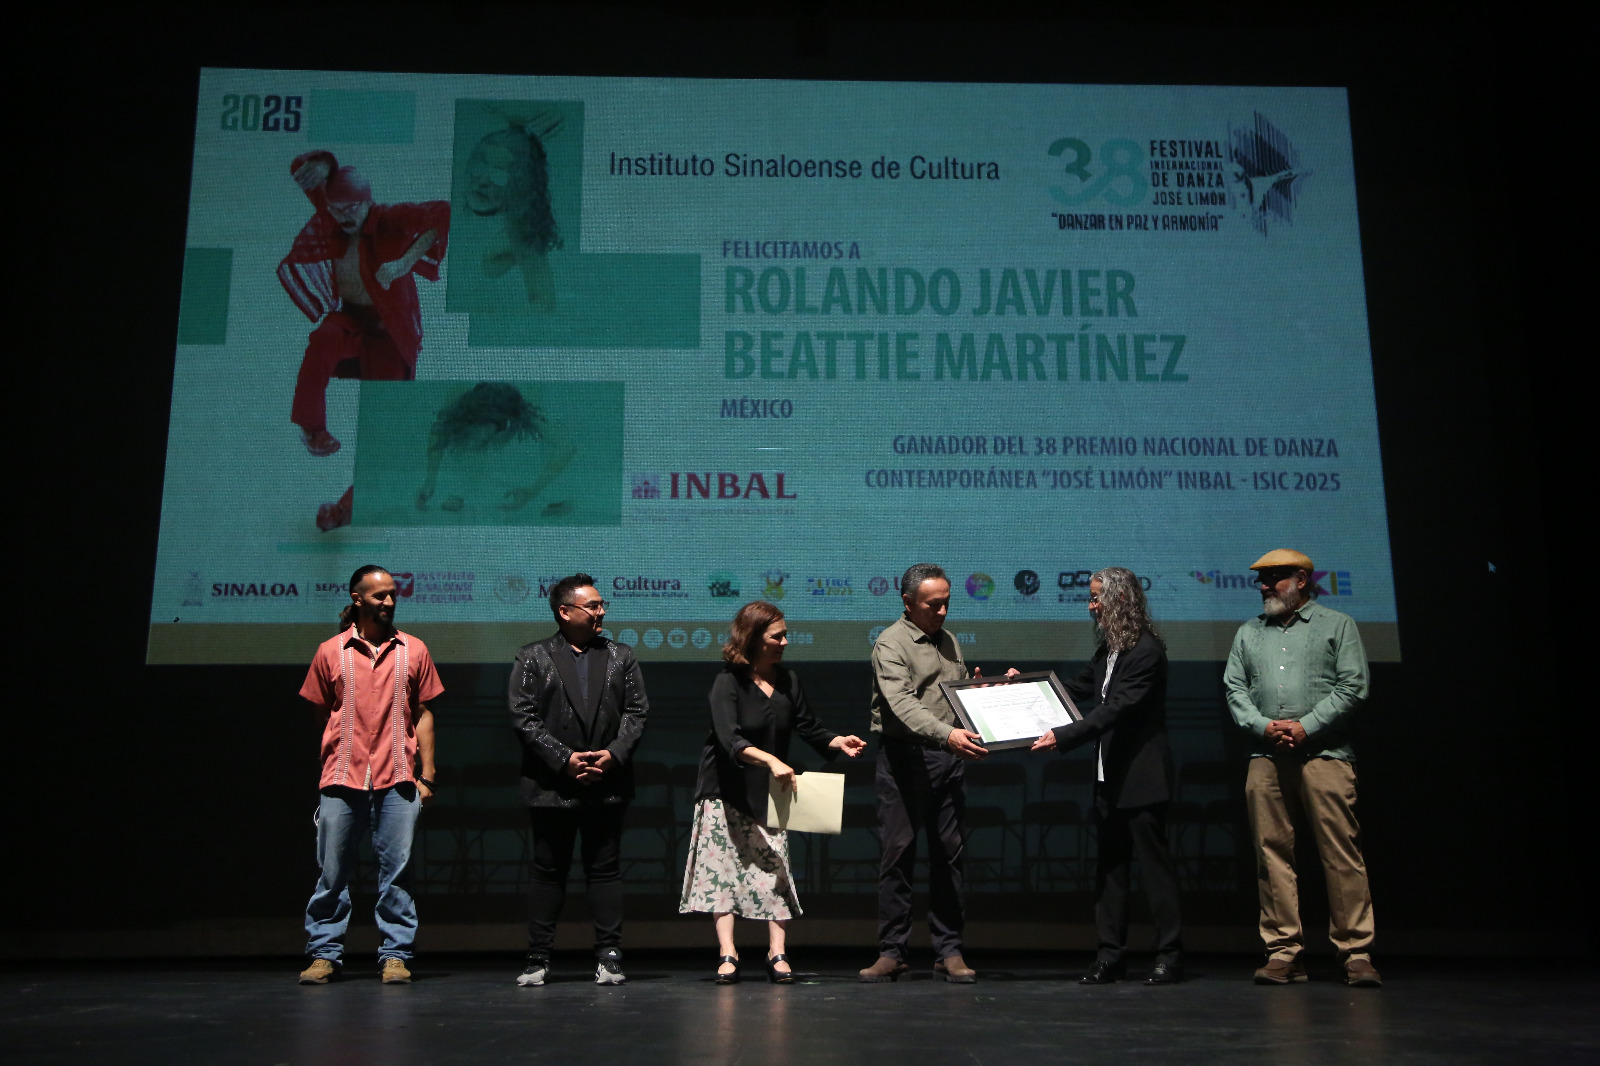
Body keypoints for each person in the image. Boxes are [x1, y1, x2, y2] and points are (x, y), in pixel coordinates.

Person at [680, 602, 866, 984]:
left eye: (785, 634)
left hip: (771, 790)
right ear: (753, 639)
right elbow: (729, 739)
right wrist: (768, 759)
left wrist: (836, 741)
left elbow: (809, 727)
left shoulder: (788, 680)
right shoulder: (727, 683)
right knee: (724, 871)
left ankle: (777, 952)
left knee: (774, 868)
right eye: (776, 636)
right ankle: (727, 953)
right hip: (726, 789)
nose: (785, 641)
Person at [1224, 549, 1381, 988]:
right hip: (1267, 757)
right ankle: (1283, 952)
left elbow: (1353, 686)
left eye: (1274, 578)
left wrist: (1306, 727)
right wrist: (1264, 726)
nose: (1265, 586)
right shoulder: (1248, 633)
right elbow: (1235, 689)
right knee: (1271, 856)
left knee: (1340, 853)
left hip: (1325, 755)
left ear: (1302, 579)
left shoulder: (1337, 625)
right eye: (1261, 579)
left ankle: (1355, 953)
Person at [276, 150, 450, 530]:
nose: (346, 216)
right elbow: (301, 170)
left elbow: (444, 213)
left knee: (385, 431)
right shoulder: (333, 216)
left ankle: (345, 509)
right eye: (338, 209)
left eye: (355, 207)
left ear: (368, 202)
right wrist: (325, 164)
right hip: (352, 321)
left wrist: (405, 262)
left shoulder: (389, 218)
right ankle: (313, 429)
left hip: (391, 334)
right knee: (323, 338)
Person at [1029, 567, 1184, 984]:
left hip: (1142, 779)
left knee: (1154, 872)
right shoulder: (1110, 650)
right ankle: (1110, 955)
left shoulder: (1146, 651)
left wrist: (1061, 737)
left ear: (1120, 601)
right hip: (1108, 779)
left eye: (1097, 597)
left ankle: (1169, 955)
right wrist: (1022, 686)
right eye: (1091, 597)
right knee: (1110, 872)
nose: (1091, 605)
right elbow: (1077, 688)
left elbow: (1114, 710)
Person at [297, 565, 442, 985]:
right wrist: (341, 750)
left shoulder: (413, 649)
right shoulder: (331, 651)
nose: (389, 602)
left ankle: (395, 954)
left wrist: (427, 775)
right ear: (358, 599)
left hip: (398, 777)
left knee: (397, 871)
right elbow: (321, 711)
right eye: (379, 596)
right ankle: (324, 953)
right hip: (342, 778)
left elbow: (424, 712)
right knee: (332, 870)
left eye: (393, 594)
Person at [508, 573, 648, 987]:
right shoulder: (532, 656)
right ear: (564, 611)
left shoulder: (622, 655)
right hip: (552, 784)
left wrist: (613, 755)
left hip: (607, 782)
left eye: (602, 604)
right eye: (593, 605)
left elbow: (637, 713)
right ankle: (538, 957)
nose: (602, 611)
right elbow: (523, 716)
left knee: (604, 870)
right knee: (548, 870)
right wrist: (564, 759)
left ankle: (609, 955)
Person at [859, 563, 991, 984]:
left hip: (947, 761)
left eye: (947, 603)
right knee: (897, 856)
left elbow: (950, 698)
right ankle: (892, 952)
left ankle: (948, 951)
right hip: (904, 761)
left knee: (948, 857)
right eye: (933, 605)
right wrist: (948, 735)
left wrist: (984, 695)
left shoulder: (949, 641)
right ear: (908, 603)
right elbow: (903, 706)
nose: (942, 612)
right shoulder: (890, 644)